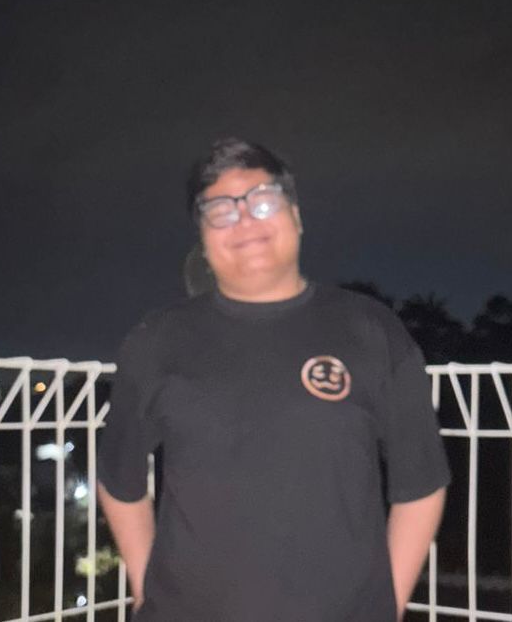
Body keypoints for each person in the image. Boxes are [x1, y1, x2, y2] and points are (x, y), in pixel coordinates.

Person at [97, 138, 450, 621]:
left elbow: (420, 484)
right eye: (220, 210)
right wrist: (147, 591)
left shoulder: (371, 330)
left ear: (297, 217)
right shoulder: (156, 341)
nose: (244, 220)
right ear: (203, 238)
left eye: (263, 201)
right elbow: (119, 481)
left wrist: (385, 607)